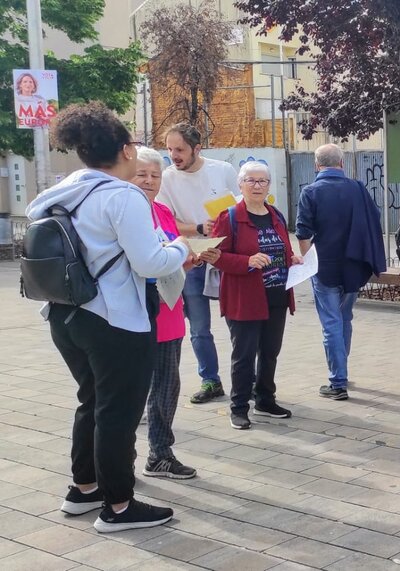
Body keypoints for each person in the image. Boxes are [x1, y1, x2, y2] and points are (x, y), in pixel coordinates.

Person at [30, 102, 189, 532]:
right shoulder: (122, 196)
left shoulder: (63, 192)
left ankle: (84, 489)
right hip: (113, 319)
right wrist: (181, 247)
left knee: (93, 401)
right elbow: (150, 262)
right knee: (118, 412)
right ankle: (118, 507)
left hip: (65, 313)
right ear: (126, 149)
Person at [210, 162, 301, 430]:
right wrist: (247, 261)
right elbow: (214, 256)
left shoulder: (276, 215)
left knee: (270, 352)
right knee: (244, 355)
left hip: (277, 296)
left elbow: (281, 249)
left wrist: (292, 258)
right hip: (245, 298)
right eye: (251, 181)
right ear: (240, 185)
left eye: (263, 181)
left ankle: (265, 399)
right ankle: (238, 407)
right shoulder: (229, 217)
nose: (257, 186)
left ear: (269, 186)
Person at [156, 123, 240, 405]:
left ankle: (246, 380)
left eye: (179, 149)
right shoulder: (166, 179)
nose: (173, 155)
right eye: (169, 149)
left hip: (224, 257)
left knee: (238, 322)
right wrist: (198, 228)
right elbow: (167, 221)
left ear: (197, 149)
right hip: (191, 258)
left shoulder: (222, 170)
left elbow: (239, 209)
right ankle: (210, 380)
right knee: (199, 328)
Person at [296, 144, 387, 401]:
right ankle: (341, 372)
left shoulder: (310, 192)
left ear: (316, 165)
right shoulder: (358, 188)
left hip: (324, 267)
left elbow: (303, 233)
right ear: (342, 163)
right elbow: (375, 217)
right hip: (354, 265)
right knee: (345, 319)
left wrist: (308, 262)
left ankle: (337, 381)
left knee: (331, 323)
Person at [132, 146, 197, 480]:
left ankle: (159, 453)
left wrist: (191, 258)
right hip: (137, 313)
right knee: (133, 390)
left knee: (167, 387)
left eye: (155, 175)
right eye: (141, 174)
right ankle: (121, 459)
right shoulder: (127, 213)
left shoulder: (162, 211)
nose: (149, 180)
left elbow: (172, 259)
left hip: (169, 311)